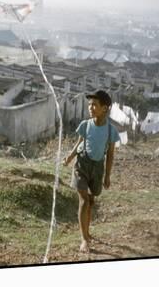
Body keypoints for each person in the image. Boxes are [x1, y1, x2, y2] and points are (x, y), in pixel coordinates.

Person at [63, 90, 120, 253]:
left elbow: (110, 155)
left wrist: (107, 176)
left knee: (91, 201)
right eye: (89, 105)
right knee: (84, 201)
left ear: (105, 108)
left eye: (95, 105)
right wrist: (69, 157)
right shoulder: (85, 125)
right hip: (82, 164)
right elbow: (79, 143)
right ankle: (84, 240)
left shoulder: (111, 131)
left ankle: (87, 232)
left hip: (97, 168)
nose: (91, 108)